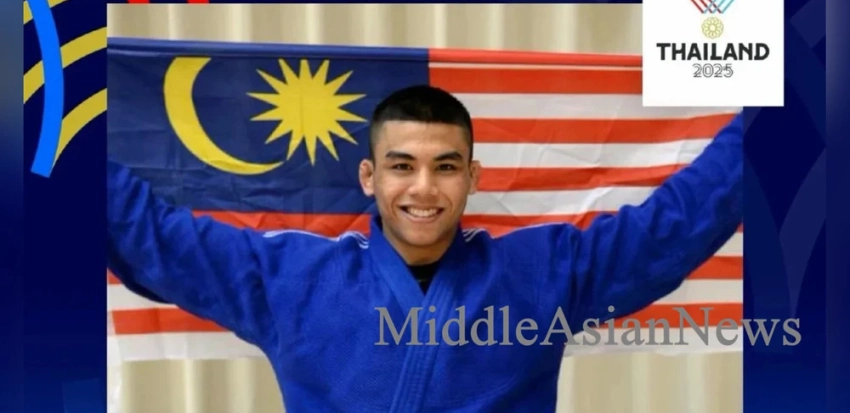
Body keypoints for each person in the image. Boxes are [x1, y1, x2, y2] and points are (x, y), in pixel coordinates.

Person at [107, 85, 743, 412]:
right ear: (369, 176)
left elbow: (677, 223)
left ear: (473, 177)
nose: (423, 189)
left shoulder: (545, 272)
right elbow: (147, 233)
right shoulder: (288, 279)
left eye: (445, 167)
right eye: (401, 165)